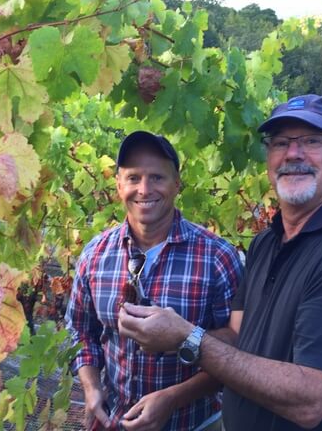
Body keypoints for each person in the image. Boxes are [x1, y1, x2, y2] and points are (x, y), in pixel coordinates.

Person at [119, 95, 322, 431]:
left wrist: (186, 337)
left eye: (313, 140)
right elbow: (241, 340)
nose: (293, 153)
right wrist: (172, 377)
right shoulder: (266, 243)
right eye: (280, 142)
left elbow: (310, 401)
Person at [65, 131, 244, 430]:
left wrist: (173, 398)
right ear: (119, 185)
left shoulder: (218, 257)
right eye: (133, 178)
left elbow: (237, 347)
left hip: (194, 422)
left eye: (157, 178)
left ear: (177, 184)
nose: (144, 189)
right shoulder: (94, 255)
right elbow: (80, 330)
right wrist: (92, 387)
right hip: (115, 421)